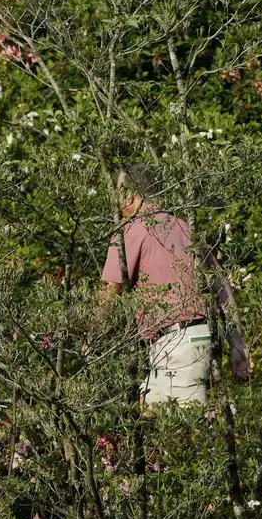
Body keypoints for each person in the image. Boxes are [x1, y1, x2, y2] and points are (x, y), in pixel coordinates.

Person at [100, 165, 249, 405]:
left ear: (128, 194)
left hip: (174, 343)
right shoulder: (185, 227)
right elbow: (222, 289)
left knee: (185, 432)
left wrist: (85, 339)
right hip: (195, 338)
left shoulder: (130, 230)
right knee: (154, 419)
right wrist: (237, 344)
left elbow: (108, 295)